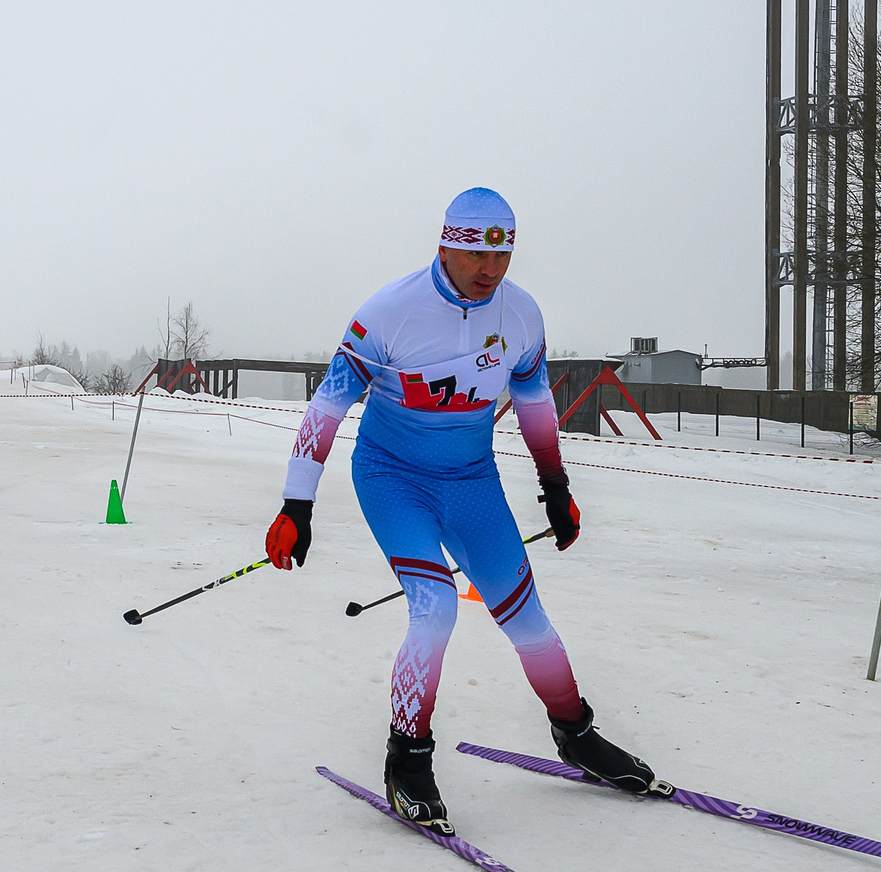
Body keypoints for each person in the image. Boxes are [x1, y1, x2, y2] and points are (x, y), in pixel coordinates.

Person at [267, 187, 660, 834]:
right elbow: (328, 405)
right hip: (395, 479)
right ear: (445, 244)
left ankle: (575, 731)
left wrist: (555, 485)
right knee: (436, 607)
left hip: (472, 481)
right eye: (477, 255)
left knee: (528, 617)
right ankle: (407, 755)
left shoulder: (522, 315)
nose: (491, 270)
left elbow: (534, 401)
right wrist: (296, 502)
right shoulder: (389, 312)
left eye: (502, 255)